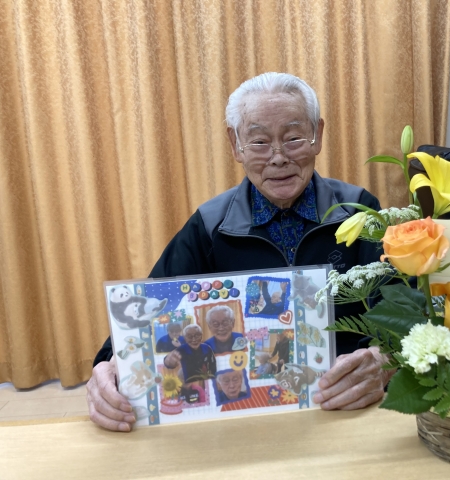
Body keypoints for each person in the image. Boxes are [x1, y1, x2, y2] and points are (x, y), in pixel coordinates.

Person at [87, 72, 393, 432]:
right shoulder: (210, 225)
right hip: (245, 414)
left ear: (317, 136)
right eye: (259, 141)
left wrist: (383, 362)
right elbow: (149, 308)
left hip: (344, 406)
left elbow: (405, 313)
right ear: (235, 145)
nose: (278, 158)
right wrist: (109, 366)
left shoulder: (359, 211)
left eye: (293, 138)